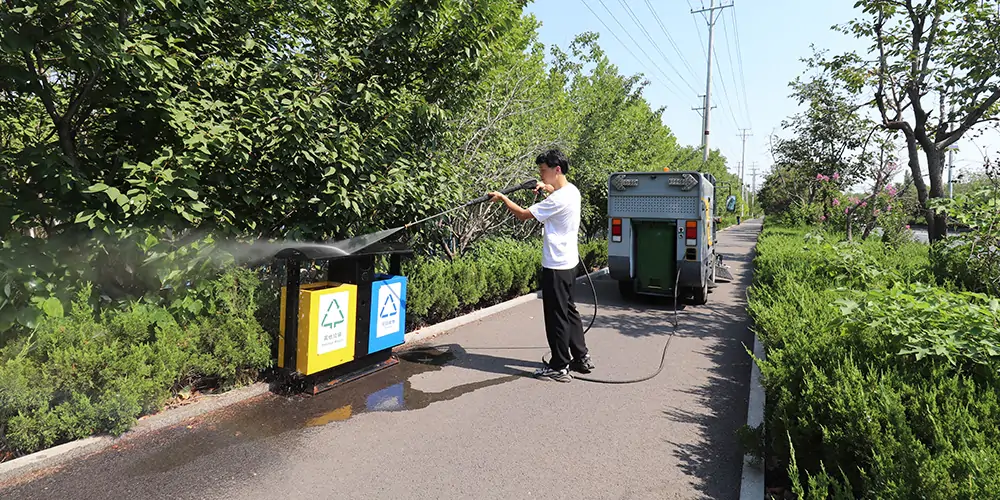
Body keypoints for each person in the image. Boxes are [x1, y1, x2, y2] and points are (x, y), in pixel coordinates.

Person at [487, 149, 594, 382]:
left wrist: (503, 198)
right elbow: (557, 193)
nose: (541, 175)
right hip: (569, 263)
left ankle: (559, 366)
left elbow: (523, 215)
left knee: (556, 317)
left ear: (557, 169)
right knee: (569, 310)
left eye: (544, 171)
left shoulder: (557, 199)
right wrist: (547, 187)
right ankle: (581, 357)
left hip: (556, 265)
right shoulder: (571, 191)